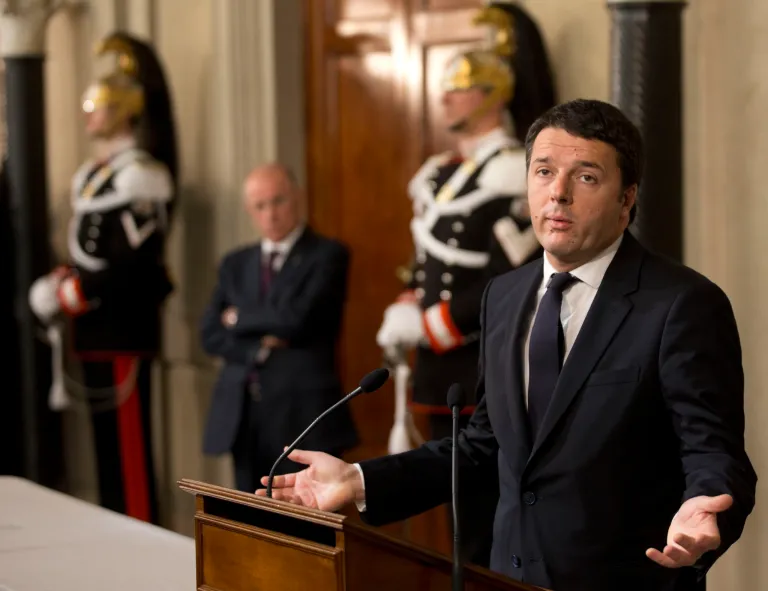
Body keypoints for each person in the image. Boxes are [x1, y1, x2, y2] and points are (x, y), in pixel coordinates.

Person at [258, 99, 757, 591]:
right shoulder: (504, 295)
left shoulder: (682, 304)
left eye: (585, 177)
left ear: (627, 199)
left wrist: (705, 506)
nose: (557, 194)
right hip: (509, 578)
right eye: (543, 172)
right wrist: (360, 481)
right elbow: (484, 444)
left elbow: (712, 452)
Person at [375, 2, 555, 568]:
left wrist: (440, 321)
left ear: (494, 93)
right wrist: (410, 299)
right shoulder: (443, 173)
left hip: (479, 365)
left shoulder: (511, 171)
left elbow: (518, 276)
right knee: (447, 517)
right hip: (434, 372)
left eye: (461, 87)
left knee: (480, 526)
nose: (446, 97)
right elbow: (429, 259)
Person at [27, 32, 178, 524]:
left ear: (125, 109)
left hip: (123, 330)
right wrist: (64, 282)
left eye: (99, 104)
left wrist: (78, 291)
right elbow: (93, 253)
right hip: (91, 329)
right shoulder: (99, 173)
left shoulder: (142, 175)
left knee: (129, 461)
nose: (89, 114)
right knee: (105, 454)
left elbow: (135, 268)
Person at [200, 163, 359, 493]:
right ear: (249, 211)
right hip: (243, 414)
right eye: (260, 206)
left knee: (304, 528)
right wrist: (259, 344)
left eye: (278, 201)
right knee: (250, 518)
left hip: (303, 415)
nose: (270, 214)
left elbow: (297, 320)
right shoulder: (235, 263)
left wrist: (239, 319)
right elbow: (210, 333)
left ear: (297, 198)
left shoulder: (328, 254)